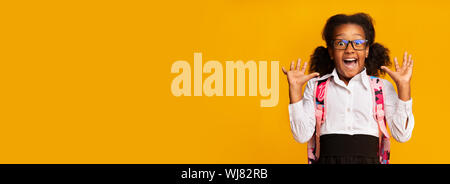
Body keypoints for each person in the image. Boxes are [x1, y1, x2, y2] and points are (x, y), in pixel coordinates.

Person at [282, 13, 414, 164]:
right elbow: (301, 135)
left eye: (358, 43)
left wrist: (404, 88)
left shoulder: (381, 88)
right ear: (331, 51)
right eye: (340, 43)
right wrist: (295, 92)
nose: (350, 49)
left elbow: (402, 135)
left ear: (367, 50)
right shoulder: (316, 86)